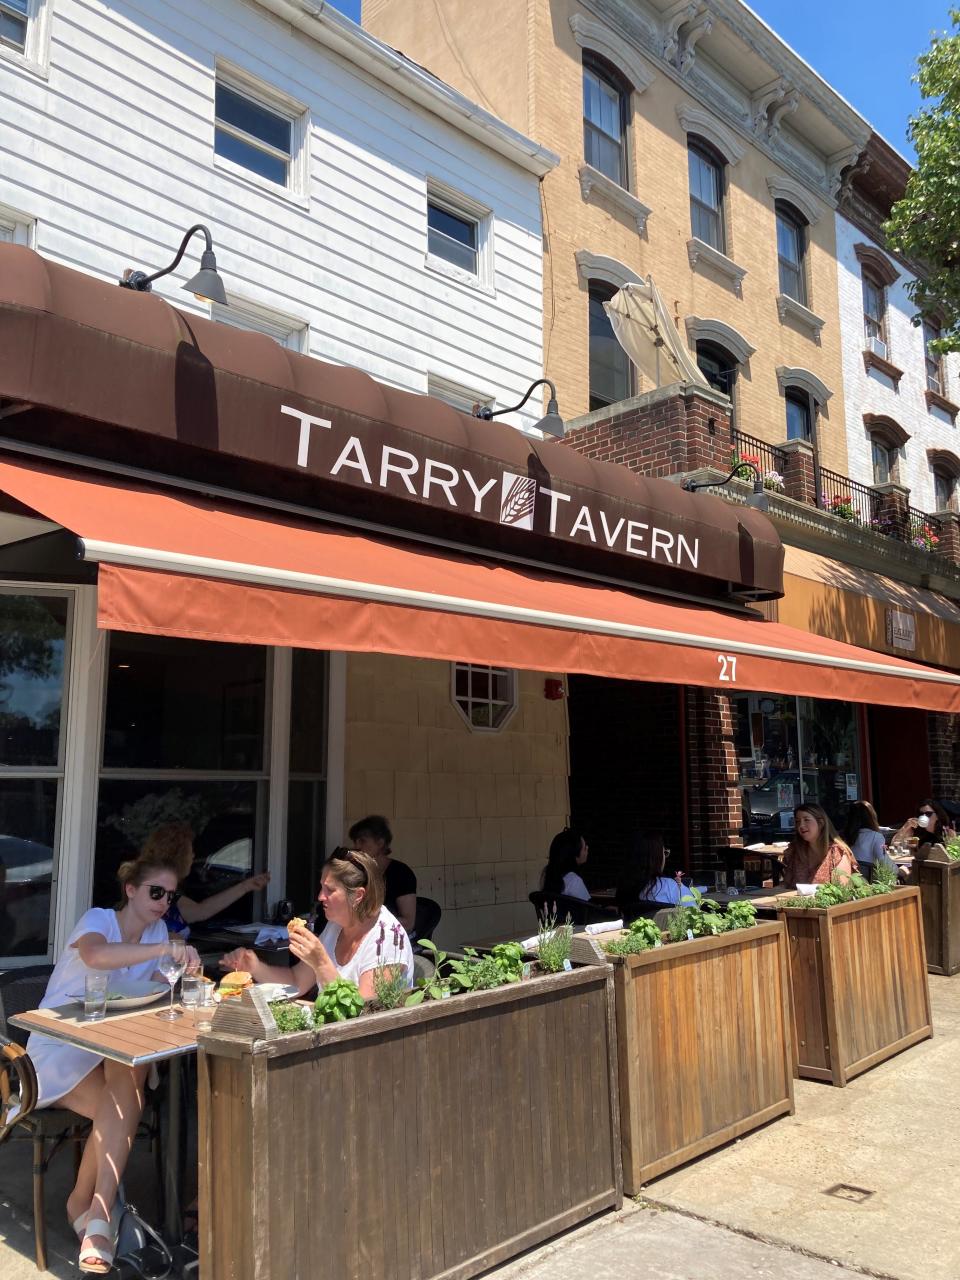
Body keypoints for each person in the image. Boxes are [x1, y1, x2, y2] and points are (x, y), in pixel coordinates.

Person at [25, 849, 200, 1274]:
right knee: (123, 1102)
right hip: (58, 1049)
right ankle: (86, 1207)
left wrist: (187, 971)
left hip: (109, 1050)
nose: (163, 902)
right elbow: (97, 957)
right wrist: (165, 947)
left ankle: (94, 1211)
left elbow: (159, 989)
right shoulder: (100, 920)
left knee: (130, 1070)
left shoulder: (159, 931)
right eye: (156, 891)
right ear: (130, 890)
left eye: (171, 896)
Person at [220, 850, 414, 998]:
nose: (321, 897)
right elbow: (297, 981)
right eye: (321, 887)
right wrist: (255, 967)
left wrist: (321, 962)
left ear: (358, 896)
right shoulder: (336, 926)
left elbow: (363, 1015)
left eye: (329, 890)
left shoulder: (387, 939)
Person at [139, 823, 270, 940]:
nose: (193, 856)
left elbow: (202, 910)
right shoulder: (144, 897)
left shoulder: (170, 898)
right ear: (178, 856)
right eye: (190, 851)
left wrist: (245, 886)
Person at [347, 814, 417, 934]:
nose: (357, 846)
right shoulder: (355, 871)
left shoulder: (401, 873)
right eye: (355, 841)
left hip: (389, 938)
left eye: (362, 841)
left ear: (380, 843)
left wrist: (366, 924)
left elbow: (408, 922)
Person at [781, 804, 858, 890]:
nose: (801, 825)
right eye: (797, 821)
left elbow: (843, 890)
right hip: (795, 902)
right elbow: (786, 886)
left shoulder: (837, 852)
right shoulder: (796, 852)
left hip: (828, 903)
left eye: (806, 820)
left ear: (821, 823)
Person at [618, 832, 694, 907]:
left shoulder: (624, 888)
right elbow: (696, 915)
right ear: (658, 857)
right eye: (664, 853)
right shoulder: (673, 887)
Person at [844, 801, 896, 881]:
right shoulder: (875, 836)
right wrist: (900, 870)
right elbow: (885, 864)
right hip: (870, 883)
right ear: (872, 817)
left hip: (850, 881)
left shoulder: (843, 837)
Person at [540, 828, 590, 902]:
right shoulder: (573, 880)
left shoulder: (550, 875)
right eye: (584, 847)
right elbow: (589, 910)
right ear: (574, 854)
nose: (587, 848)